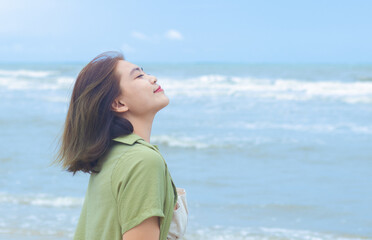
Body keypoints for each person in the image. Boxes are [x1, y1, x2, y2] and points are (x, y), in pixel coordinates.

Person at [56, 51, 188, 240]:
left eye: (145, 72)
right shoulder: (142, 161)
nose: (152, 78)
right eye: (139, 76)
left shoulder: (112, 156)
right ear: (118, 103)